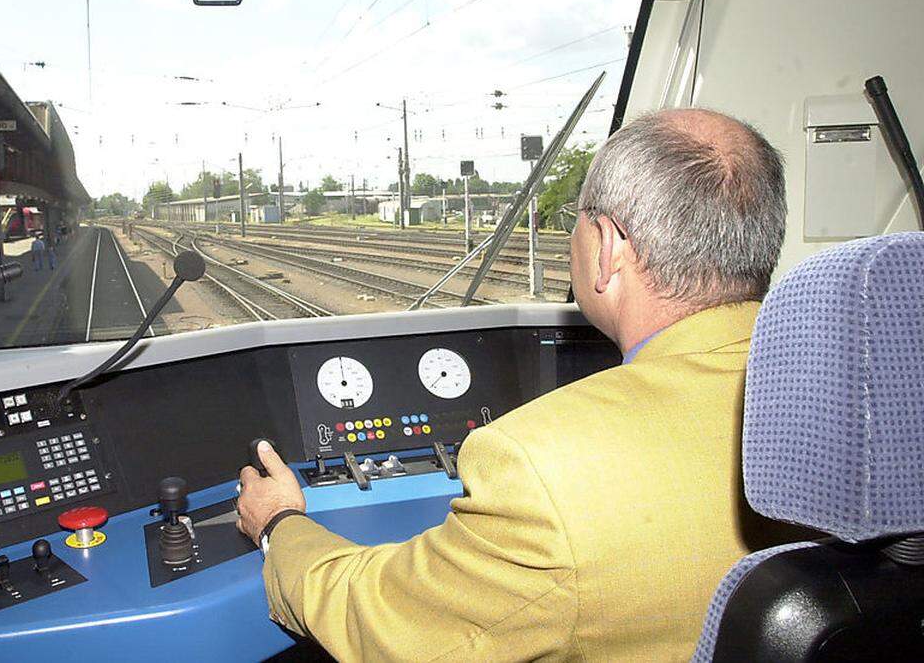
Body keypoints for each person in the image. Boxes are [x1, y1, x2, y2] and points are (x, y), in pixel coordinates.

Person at [236, 109, 811, 661]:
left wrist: (280, 525)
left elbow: (384, 627)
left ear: (607, 250)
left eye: (576, 223)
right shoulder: (867, 403)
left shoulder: (538, 467)